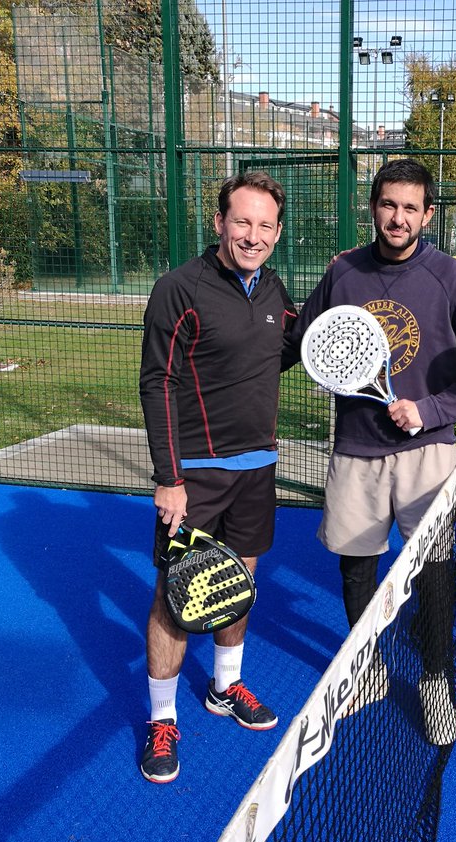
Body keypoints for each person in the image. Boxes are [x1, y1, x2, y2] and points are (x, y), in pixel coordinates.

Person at [284, 158, 456, 745]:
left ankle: (433, 679)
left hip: (428, 451)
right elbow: (309, 340)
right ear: (372, 208)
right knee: (356, 566)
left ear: (427, 214)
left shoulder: (451, 277)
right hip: (356, 447)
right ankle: (365, 669)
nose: (397, 218)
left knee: (433, 572)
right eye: (387, 205)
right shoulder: (343, 271)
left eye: (410, 208)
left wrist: (427, 411)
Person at [137, 171, 297, 783]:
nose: (252, 235)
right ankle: (161, 718)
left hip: (258, 469)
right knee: (178, 599)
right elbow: (158, 382)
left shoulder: (274, 290)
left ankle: (225, 688)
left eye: (264, 225)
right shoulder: (180, 288)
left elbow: (280, 350)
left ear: (277, 233)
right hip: (195, 476)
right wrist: (169, 477)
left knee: (238, 586)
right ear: (220, 223)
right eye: (242, 221)